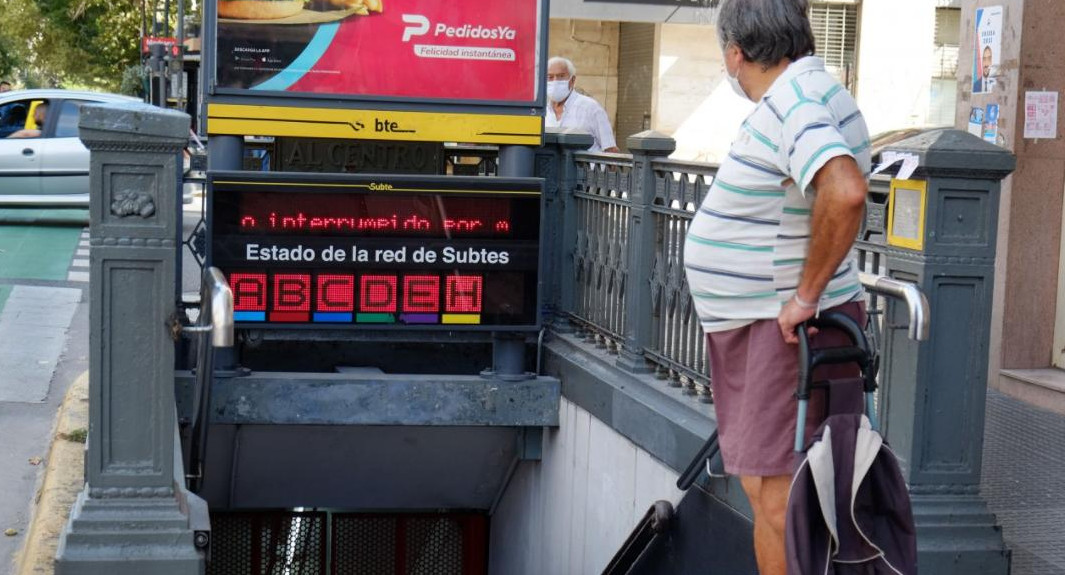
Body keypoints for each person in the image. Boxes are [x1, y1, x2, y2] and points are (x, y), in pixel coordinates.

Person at [682, 1, 871, 573]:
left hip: (779, 331)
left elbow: (844, 190)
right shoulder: (812, 90)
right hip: (771, 328)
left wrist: (804, 297)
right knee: (779, 492)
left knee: (776, 496)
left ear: (735, 54)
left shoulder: (794, 100)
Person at [544, 56, 620, 153]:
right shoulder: (543, 113)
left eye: (561, 76)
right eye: (550, 77)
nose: (555, 81)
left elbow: (611, 150)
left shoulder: (590, 108)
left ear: (572, 80)